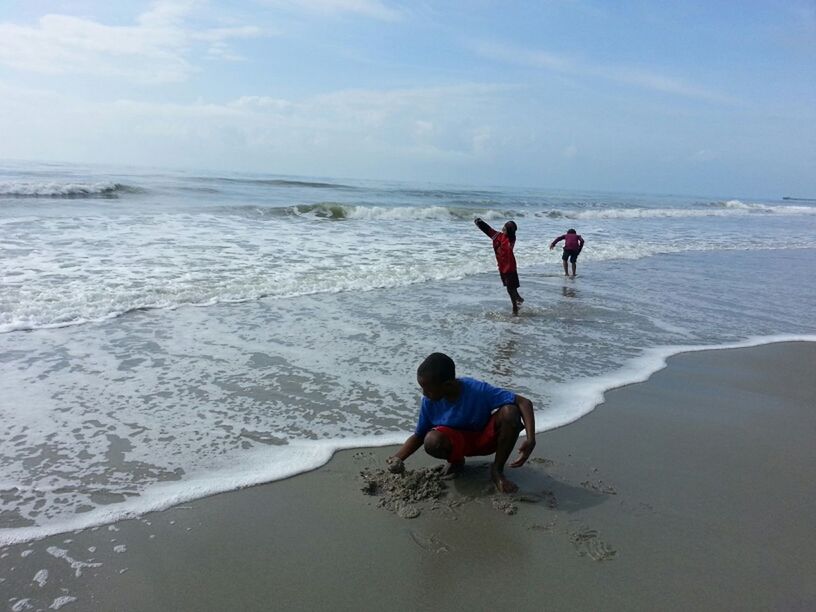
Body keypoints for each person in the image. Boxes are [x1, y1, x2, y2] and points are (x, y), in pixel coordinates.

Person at [386, 352, 536, 494]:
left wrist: (530, 440)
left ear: (448, 385)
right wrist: (397, 457)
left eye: (428, 390)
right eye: (422, 389)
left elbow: (523, 402)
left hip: (485, 439)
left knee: (510, 411)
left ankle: (497, 471)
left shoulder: (478, 390)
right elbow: (419, 435)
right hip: (457, 444)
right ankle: (456, 462)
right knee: (431, 439)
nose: (424, 394)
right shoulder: (429, 402)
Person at [474, 217, 524, 314]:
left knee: (510, 288)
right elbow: (488, 230)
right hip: (501, 266)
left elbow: (511, 235)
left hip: (510, 267)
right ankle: (518, 298)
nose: (503, 229)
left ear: (510, 231)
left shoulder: (511, 239)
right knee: (510, 287)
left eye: (506, 228)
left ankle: (515, 307)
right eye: (504, 227)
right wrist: (479, 222)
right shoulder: (497, 236)